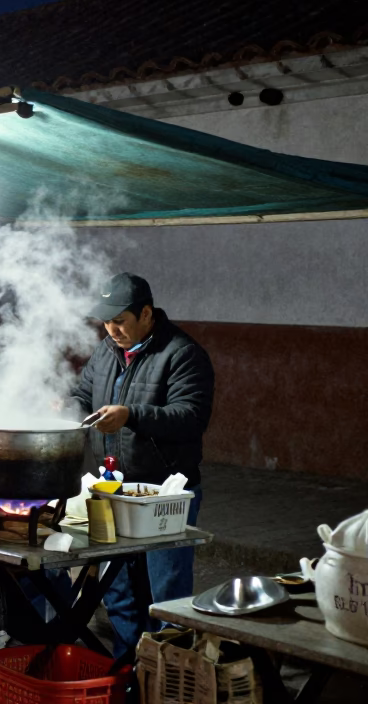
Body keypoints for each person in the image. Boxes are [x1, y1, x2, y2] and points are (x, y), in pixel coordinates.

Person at [69, 272, 214, 663]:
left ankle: (165, 671)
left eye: (120, 321)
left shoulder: (183, 353)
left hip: (163, 493)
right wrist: (66, 407)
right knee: (116, 586)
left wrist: (132, 415)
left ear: (146, 313)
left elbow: (190, 416)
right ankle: (126, 665)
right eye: (106, 321)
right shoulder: (106, 351)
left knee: (166, 590)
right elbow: (84, 394)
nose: (111, 330)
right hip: (112, 486)